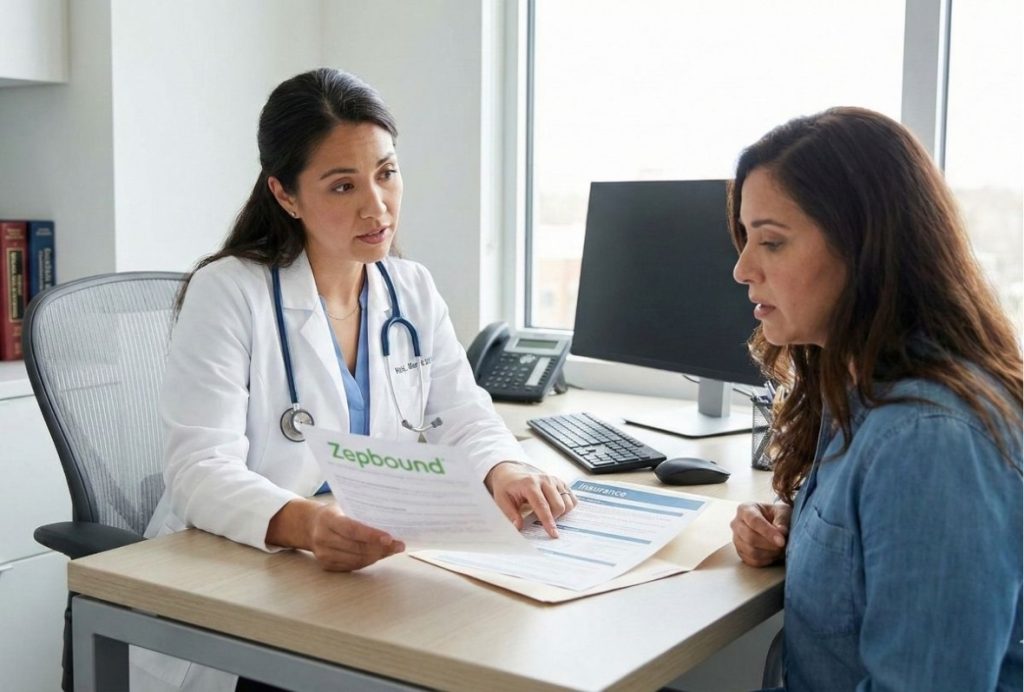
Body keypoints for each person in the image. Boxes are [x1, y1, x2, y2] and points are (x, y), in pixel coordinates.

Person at [135, 68, 577, 692]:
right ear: (286, 195)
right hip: (244, 584)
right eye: (343, 186)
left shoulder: (410, 287)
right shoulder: (229, 292)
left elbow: (462, 412)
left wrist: (504, 469)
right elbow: (198, 472)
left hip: (364, 580)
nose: (377, 206)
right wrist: (307, 526)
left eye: (387, 172)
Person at [728, 106, 1022, 691]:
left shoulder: (930, 442)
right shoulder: (858, 386)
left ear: (866, 247)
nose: (742, 269)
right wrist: (803, 531)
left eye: (772, 242)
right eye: (745, 239)